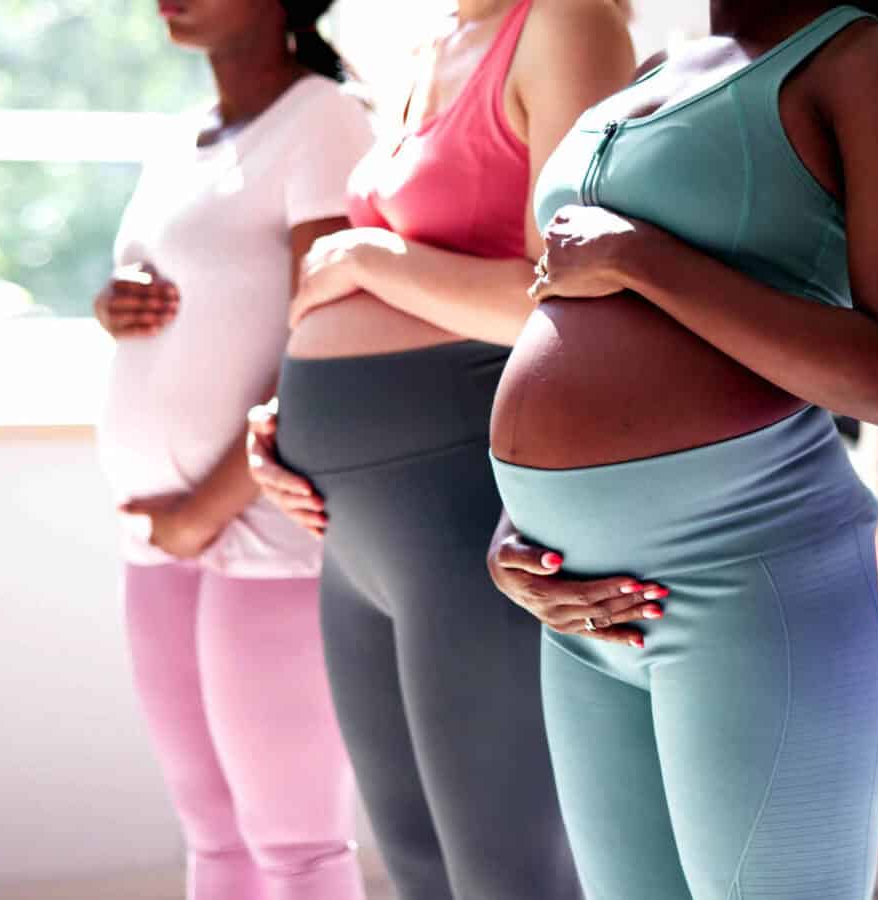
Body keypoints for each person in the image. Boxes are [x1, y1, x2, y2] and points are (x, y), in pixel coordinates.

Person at [480, 4, 878, 897]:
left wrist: (645, 257)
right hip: (580, 610)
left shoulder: (867, 64)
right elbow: (577, 317)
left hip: (757, 584)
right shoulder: (653, 68)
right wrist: (514, 525)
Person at [241, 1, 638, 897]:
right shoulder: (430, 43)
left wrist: (366, 260)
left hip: (464, 506)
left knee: (507, 867)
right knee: (413, 858)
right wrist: (287, 417)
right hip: (356, 531)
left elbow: (581, 282)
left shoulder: (566, 22)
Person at [94, 1, 375, 897]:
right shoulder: (188, 137)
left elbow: (330, 338)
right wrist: (115, 306)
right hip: (161, 531)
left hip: (261, 529)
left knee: (294, 844)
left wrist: (201, 512)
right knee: (212, 836)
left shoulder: (324, 118)